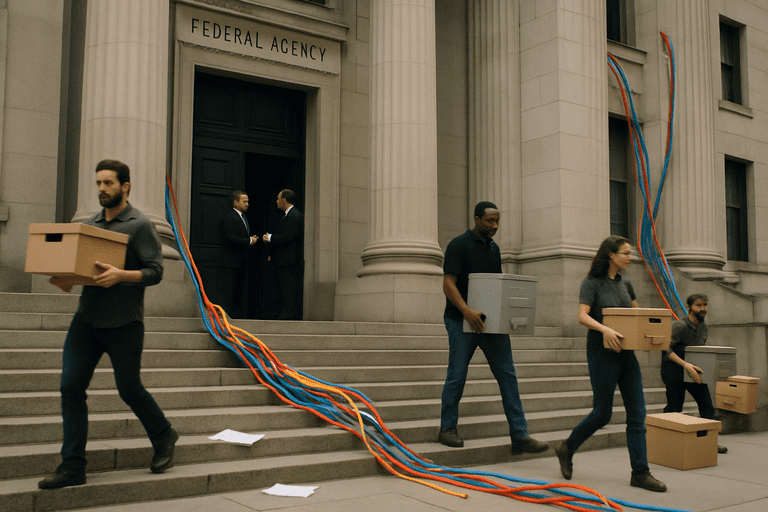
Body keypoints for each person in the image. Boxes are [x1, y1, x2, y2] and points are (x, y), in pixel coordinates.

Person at [39, 159, 178, 489]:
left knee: (129, 389)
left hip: (124, 323)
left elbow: (155, 271)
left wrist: (122, 276)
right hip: (86, 320)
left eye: (109, 184)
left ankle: (164, 435)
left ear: (125, 186)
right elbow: (84, 268)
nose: (102, 189)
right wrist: (66, 279)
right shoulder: (90, 224)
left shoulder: (139, 225)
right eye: (99, 183)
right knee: (71, 387)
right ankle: (73, 466)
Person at [554, 235, 665, 492]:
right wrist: (605, 329)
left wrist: (654, 334)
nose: (630, 257)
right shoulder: (591, 283)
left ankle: (640, 472)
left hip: (627, 356)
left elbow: (638, 315)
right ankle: (567, 447)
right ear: (611, 256)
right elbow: (582, 315)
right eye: (625, 253)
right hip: (601, 355)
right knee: (602, 413)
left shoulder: (626, 284)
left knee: (637, 415)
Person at [438, 201, 548, 455]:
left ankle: (520, 435)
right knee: (456, 375)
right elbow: (448, 284)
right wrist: (466, 311)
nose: (495, 226)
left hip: (491, 324)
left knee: (507, 375)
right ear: (477, 219)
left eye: (497, 221)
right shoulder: (458, 245)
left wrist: (507, 315)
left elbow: (496, 285)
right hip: (460, 320)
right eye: (490, 221)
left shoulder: (494, 249)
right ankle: (447, 429)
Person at [661, 293, 727, 454]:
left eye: (705, 305)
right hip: (674, 369)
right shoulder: (680, 326)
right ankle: (668, 440)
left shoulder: (704, 327)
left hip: (692, 370)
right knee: (674, 406)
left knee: (706, 405)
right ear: (689, 307)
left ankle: (708, 441)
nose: (703, 308)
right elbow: (665, 348)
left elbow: (700, 350)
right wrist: (685, 365)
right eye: (699, 305)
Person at [263, 189, 303, 320]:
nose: (276, 201)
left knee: (288, 289)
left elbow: (289, 236)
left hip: (288, 261)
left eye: (278, 198)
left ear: (284, 200)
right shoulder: (288, 215)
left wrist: (270, 238)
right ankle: (285, 313)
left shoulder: (294, 215)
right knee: (284, 288)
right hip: (283, 261)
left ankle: (288, 314)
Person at [217, 190, 258, 318]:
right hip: (230, 262)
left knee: (237, 293)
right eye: (244, 201)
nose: (247, 204)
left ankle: (235, 315)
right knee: (228, 292)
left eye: (248, 201)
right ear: (235, 202)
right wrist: (249, 241)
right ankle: (225, 317)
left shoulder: (243, 217)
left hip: (240, 262)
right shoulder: (230, 217)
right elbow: (231, 238)